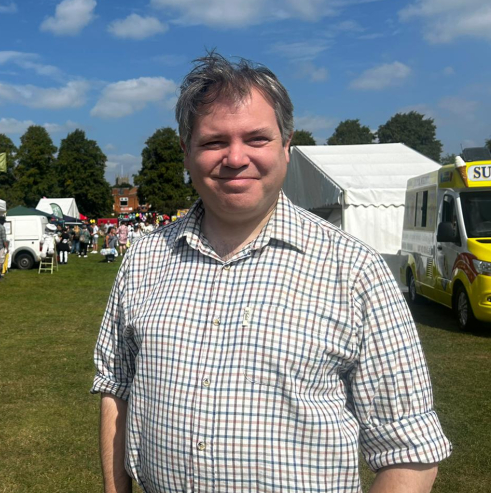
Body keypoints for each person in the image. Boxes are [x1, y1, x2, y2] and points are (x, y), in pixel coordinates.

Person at [92, 52, 451, 493]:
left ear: (285, 145)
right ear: (187, 153)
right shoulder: (145, 258)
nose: (235, 157)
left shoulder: (354, 270)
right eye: (213, 142)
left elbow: (410, 452)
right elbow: (117, 389)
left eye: (256, 138)